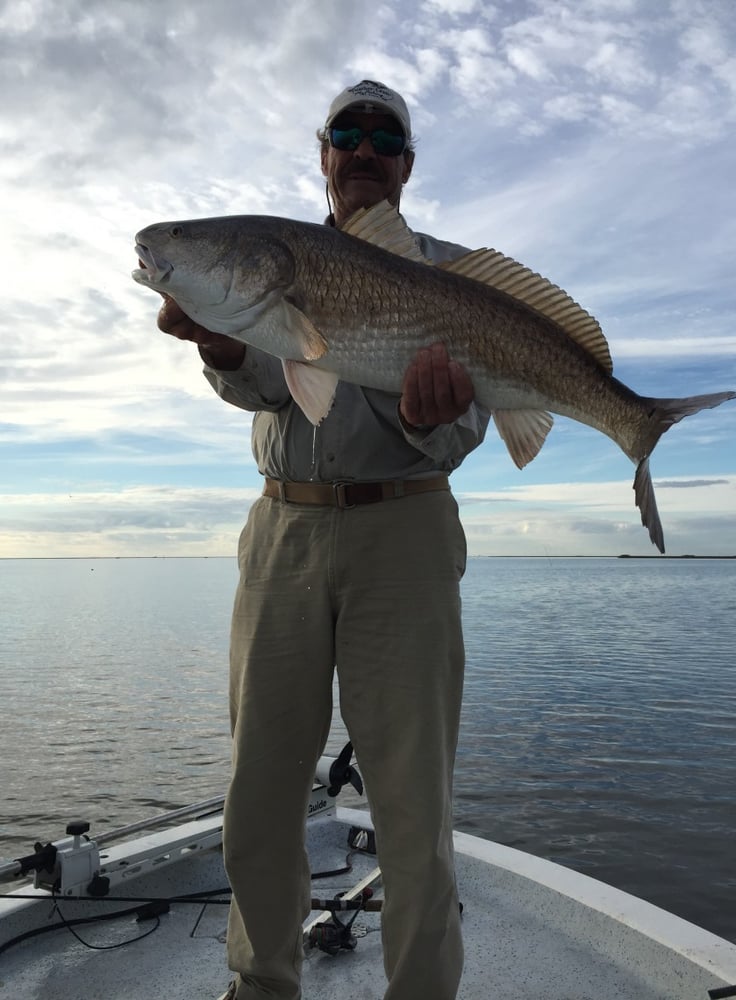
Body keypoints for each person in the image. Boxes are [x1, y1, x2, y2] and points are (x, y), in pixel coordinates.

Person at [157, 80, 490, 1000]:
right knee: (260, 784)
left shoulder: (455, 277)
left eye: (386, 136)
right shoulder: (274, 263)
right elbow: (268, 381)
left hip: (409, 529)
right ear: (324, 153)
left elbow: (468, 432)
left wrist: (435, 420)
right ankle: (261, 983)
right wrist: (223, 349)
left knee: (412, 798)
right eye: (349, 132)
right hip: (282, 529)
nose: (366, 147)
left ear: (408, 164)